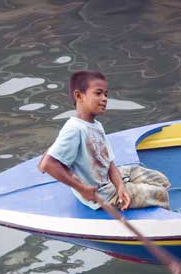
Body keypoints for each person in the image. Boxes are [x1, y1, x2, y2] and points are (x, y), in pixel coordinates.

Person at [38, 71, 170, 211]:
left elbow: (110, 163)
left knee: (162, 180)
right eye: (98, 93)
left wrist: (120, 186)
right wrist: (82, 189)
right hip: (103, 195)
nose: (104, 99)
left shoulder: (96, 126)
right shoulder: (74, 129)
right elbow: (48, 164)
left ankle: (126, 187)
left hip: (109, 179)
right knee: (162, 194)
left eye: (106, 94)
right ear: (79, 96)